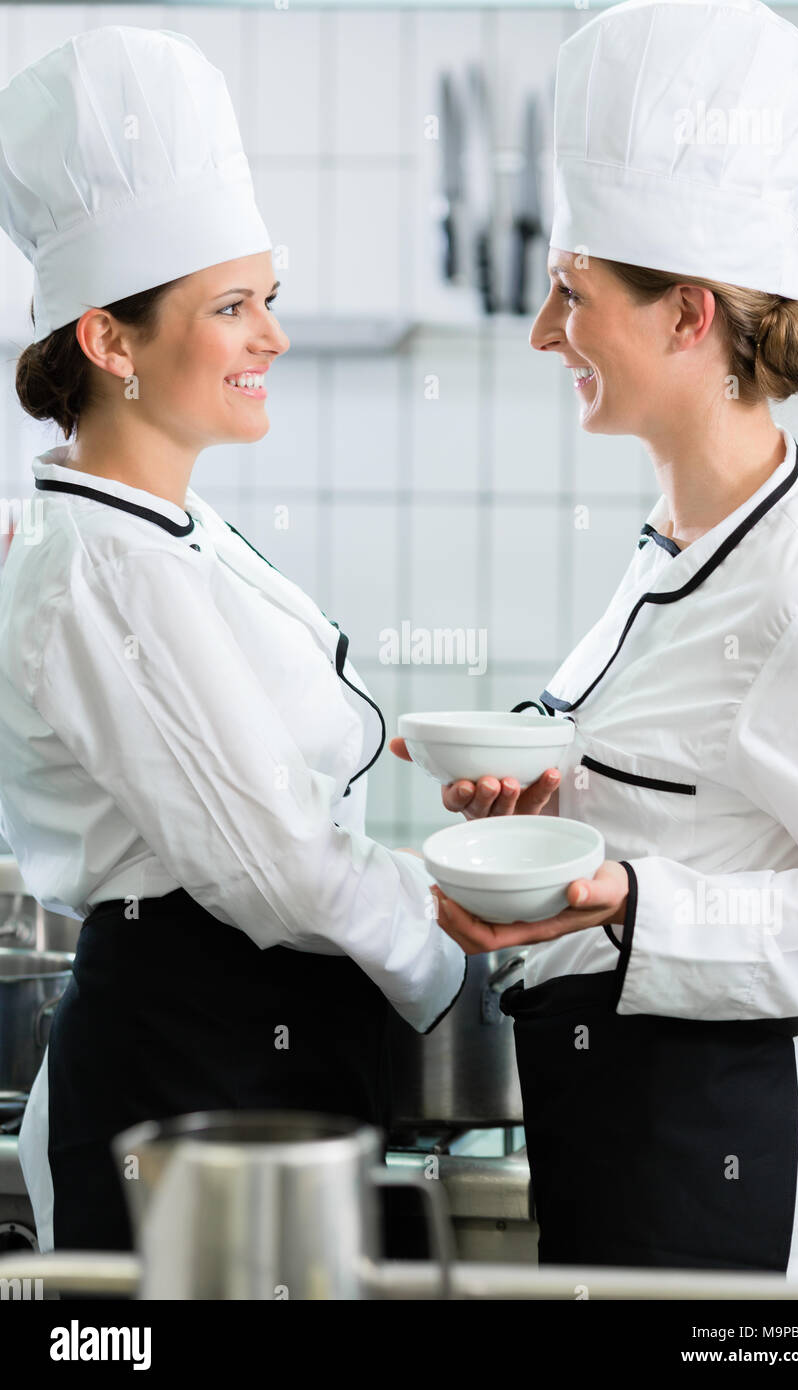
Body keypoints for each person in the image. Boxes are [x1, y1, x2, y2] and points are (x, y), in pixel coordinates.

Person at [396, 0, 798, 1289]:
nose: (545, 333)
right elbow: (698, 791)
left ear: (686, 317)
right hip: (614, 1135)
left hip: (724, 1165)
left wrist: (634, 900)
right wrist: (559, 805)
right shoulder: (672, 539)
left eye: (569, 294)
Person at [0, 25, 466, 1254]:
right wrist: (450, 960)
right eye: (232, 306)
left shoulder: (166, 532)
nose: (272, 336)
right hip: (186, 1084)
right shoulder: (105, 567)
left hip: (254, 1065)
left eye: (270, 298)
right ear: (110, 341)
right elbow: (278, 867)